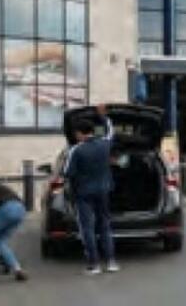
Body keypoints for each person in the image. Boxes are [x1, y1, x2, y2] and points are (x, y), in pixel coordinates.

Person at [63, 106, 118, 275]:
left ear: (80, 133)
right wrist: (103, 117)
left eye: (76, 133)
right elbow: (111, 131)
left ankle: (94, 265)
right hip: (104, 190)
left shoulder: (76, 150)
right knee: (105, 225)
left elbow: (67, 173)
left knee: (87, 227)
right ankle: (111, 263)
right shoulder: (105, 144)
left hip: (84, 194)